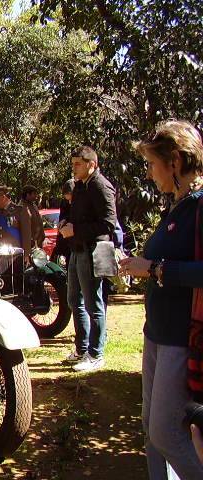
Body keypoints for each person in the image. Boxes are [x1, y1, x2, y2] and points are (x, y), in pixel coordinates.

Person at [118, 120, 203, 479]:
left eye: (153, 164)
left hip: (178, 338)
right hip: (156, 333)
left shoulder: (199, 207)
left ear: (176, 162)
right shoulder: (177, 207)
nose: (150, 174)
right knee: (150, 430)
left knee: (166, 432)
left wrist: (153, 269)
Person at [60, 146, 116, 372]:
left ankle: (96, 354)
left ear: (91, 164)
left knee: (94, 304)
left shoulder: (100, 186)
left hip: (94, 251)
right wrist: (66, 225)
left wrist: (76, 230)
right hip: (78, 250)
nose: (73, 168)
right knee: (74, 301)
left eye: (78, 164)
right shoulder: (81, 186)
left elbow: (109, 224)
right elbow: (77, 217)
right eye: (73, 163)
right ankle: (82, 348)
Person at [0, 184, 32, 259]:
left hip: (15, 256)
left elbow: (26, 236)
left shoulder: (20, 211)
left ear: (3, 196)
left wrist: (26, 255)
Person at [51, 179, 74, 264]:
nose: (69, 202)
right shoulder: (64, 203)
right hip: (65, 241)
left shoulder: (81, 202)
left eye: (70, 199)